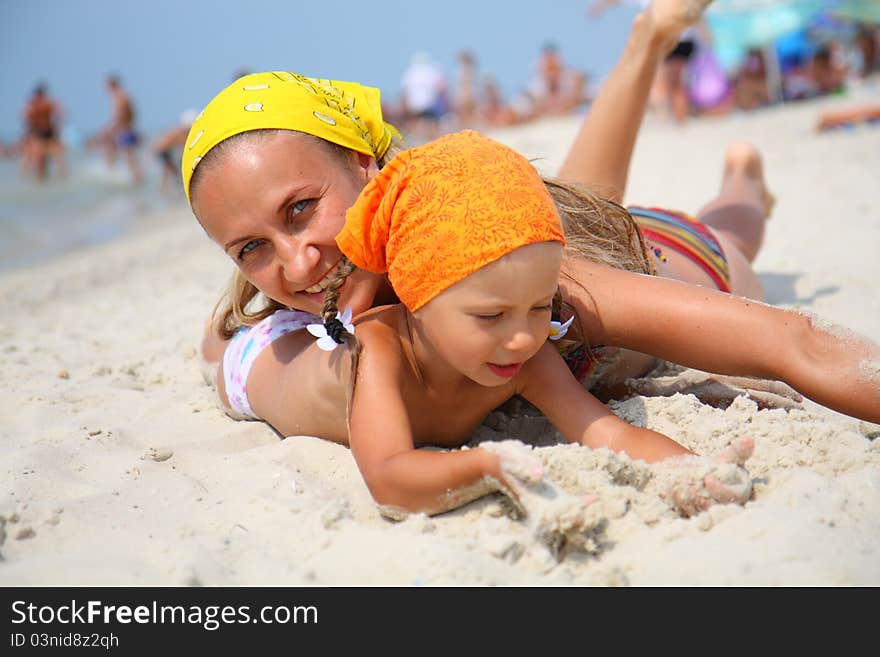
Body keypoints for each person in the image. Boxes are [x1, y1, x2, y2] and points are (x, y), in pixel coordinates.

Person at [183, 3, 880, 506]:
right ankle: (647, 47)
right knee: (572, 206)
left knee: (732, 232)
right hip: (556, 233)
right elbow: (226, 349)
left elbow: (795, 341)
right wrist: (233, 350)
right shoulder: (323, 325)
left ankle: (743, 177)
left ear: (366, 168)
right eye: (251, 249)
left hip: (675, 253)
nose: (298, 263)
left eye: (301, 209)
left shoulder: (538, 281)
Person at [92, 74, 143, 184]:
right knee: (120, 153)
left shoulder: (119, 98)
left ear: (112, 85)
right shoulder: (124, 96)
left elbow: (119, 117)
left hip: (125, 130)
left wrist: (109, 130)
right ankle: (129, 178)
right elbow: (133, 114)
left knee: (129, 157)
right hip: (127, 129)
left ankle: (136, 180)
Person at [20, 83, 67, 182]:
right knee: (48, 160)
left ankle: (41, 181)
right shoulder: (41, 104)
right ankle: (43, 181)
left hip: (45, 132)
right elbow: (62, 112)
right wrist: (57, 125)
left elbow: (25, 117)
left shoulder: (38, 104)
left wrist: (57, 126)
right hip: (43, 133)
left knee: (55, 159)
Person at [152, 109, 198, 195]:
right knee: (171, 172)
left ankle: (165, 191)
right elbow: (180, 146)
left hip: (162, 150)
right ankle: (167, 191)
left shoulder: (180, 131)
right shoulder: (181, 132)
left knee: (169, 172)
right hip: (162, 151)